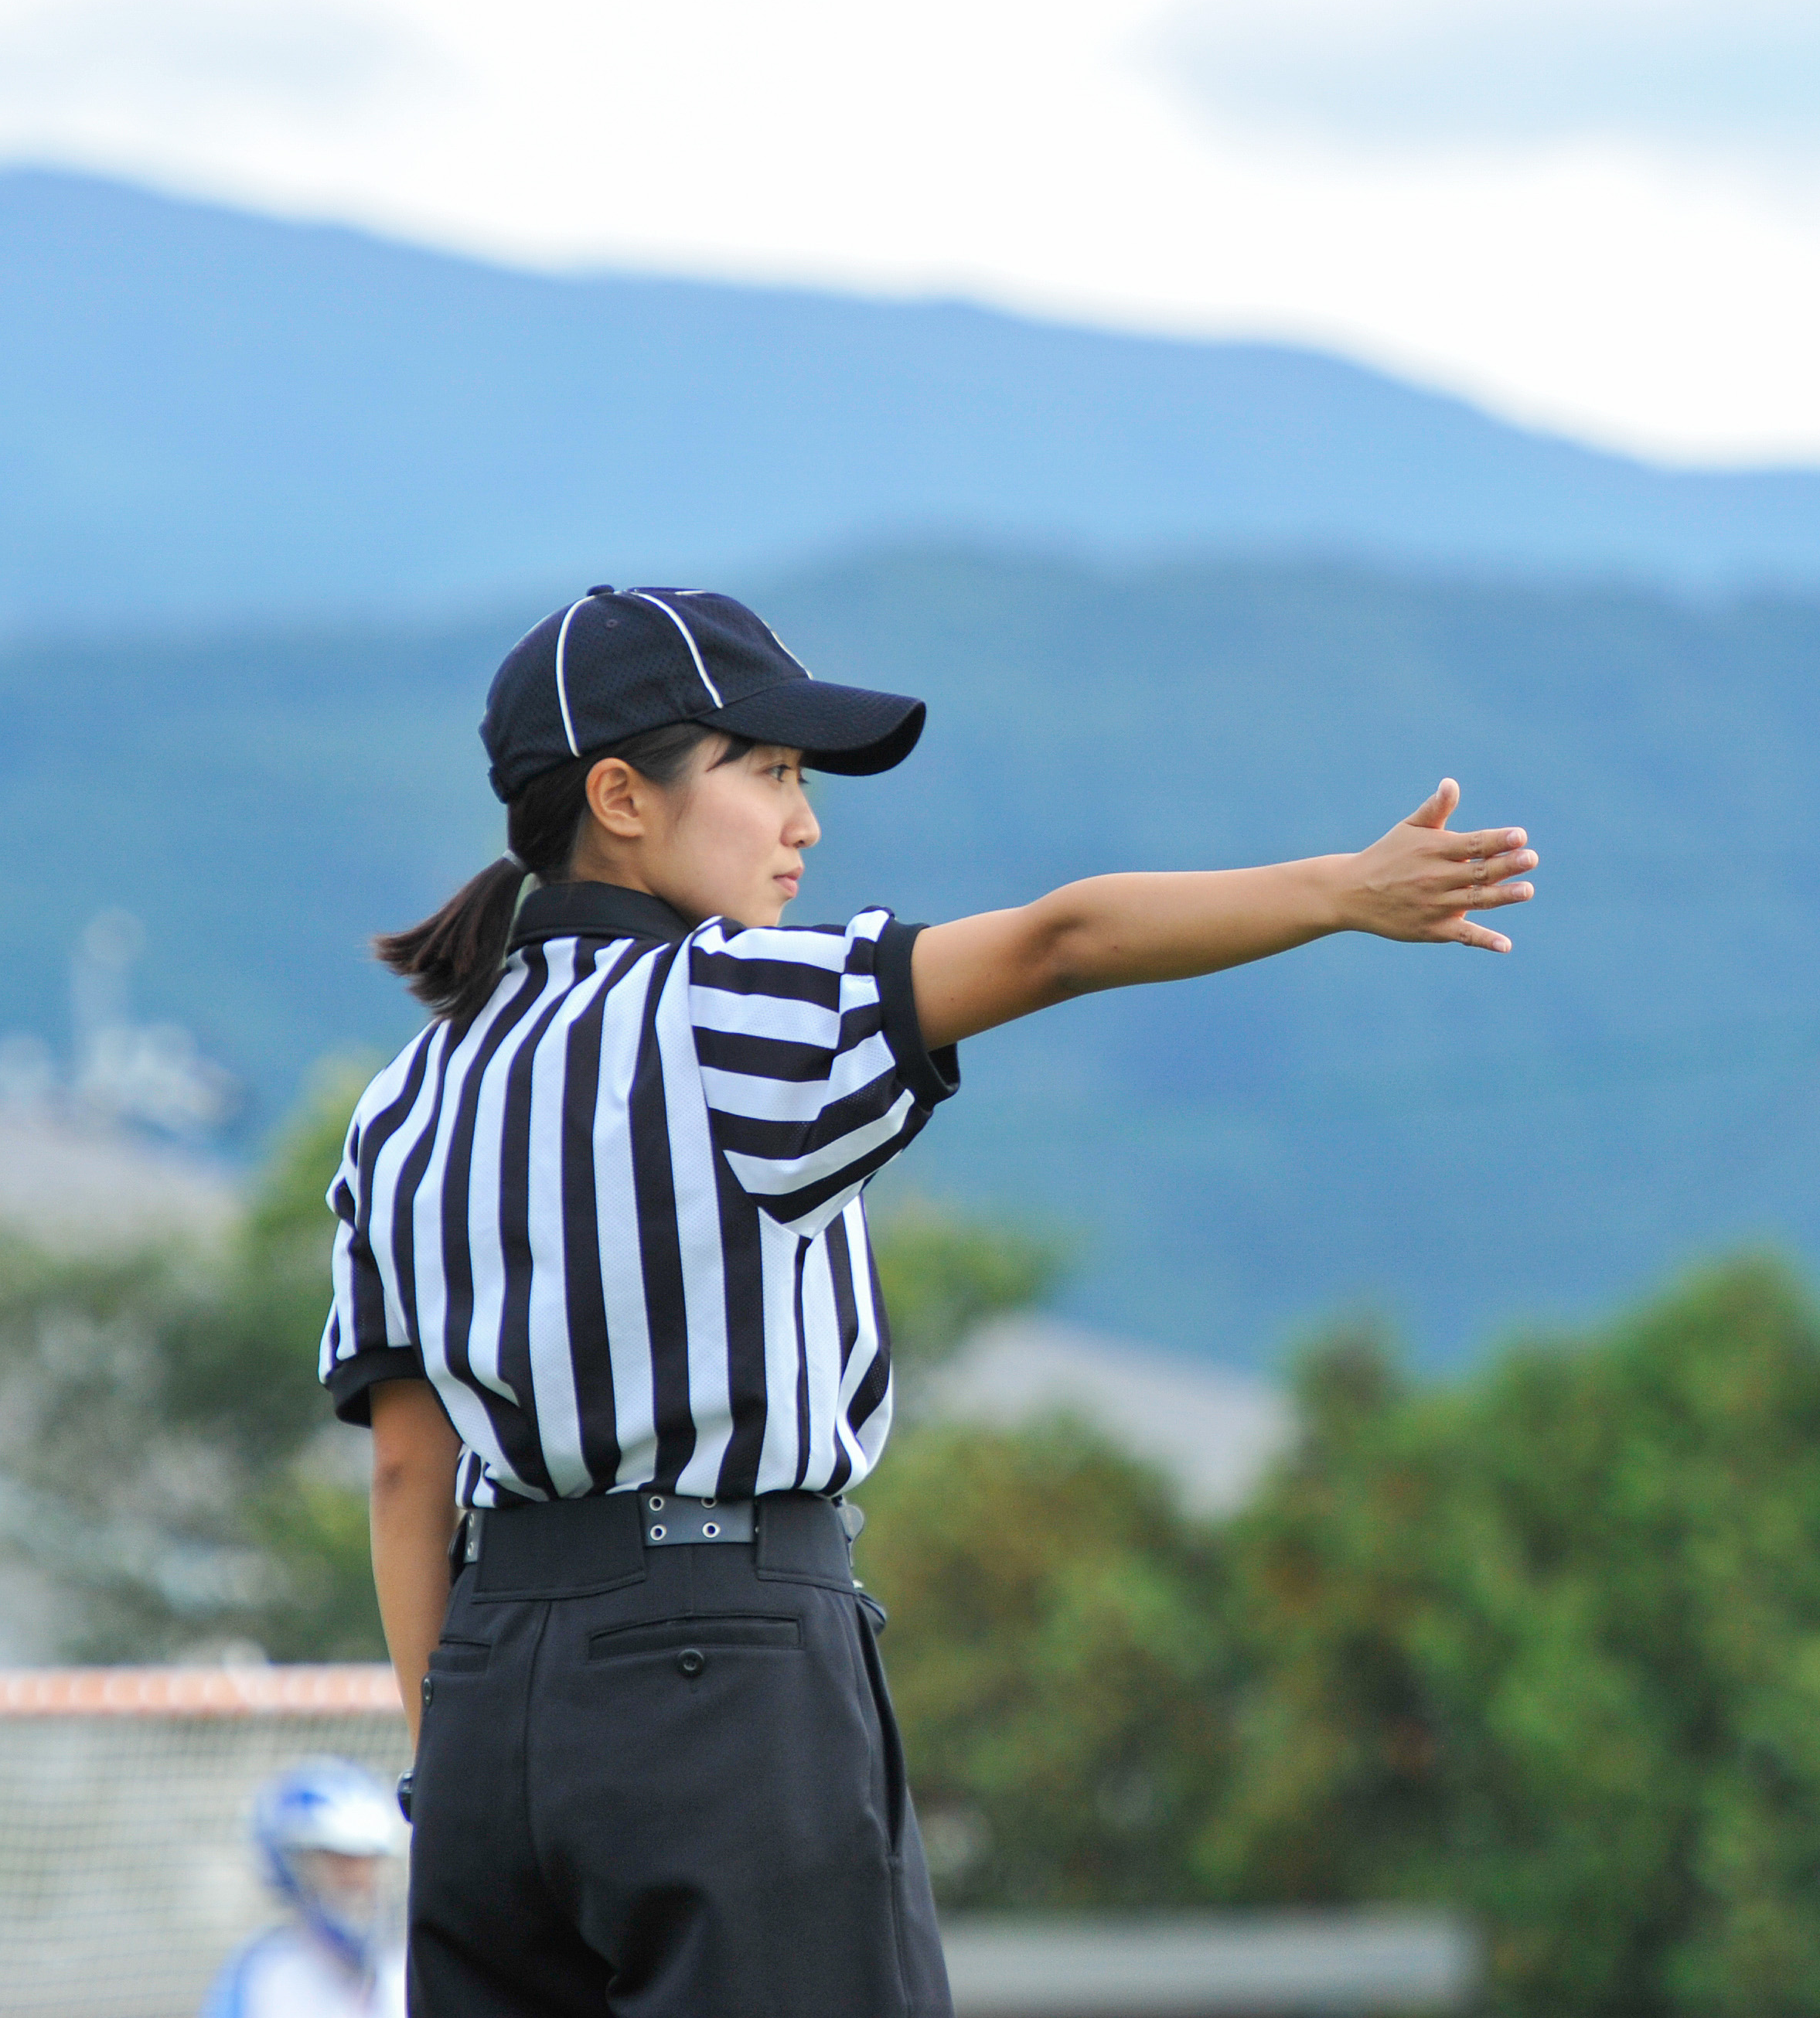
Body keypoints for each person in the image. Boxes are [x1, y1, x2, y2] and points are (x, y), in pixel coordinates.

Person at [318, 585, 1539, 2016]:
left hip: (486, 1705)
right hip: (721, 1656)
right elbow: (1060, 941)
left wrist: (450, 1764)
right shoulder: (724, 1005)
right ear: (619, 797)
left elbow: (410, 1470)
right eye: (766, 769)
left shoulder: (406, 1100)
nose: (805, 820)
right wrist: (1338, 890)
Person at [202, 1757, 407, 2018]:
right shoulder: (265, 1975)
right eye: (339, 1862)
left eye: (369, 1863)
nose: (360, 1882)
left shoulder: (406, 1969)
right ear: (294, 1868)